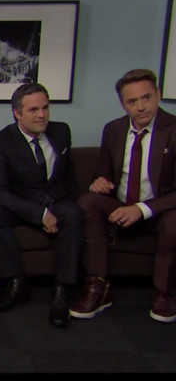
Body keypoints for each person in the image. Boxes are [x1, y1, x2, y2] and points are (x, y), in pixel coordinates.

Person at [70, 69, 176, 323]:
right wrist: (99, 181)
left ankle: (165, 293)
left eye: (146, 98)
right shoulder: (114, 129)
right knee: (87, 202)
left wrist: (142, 209)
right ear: (123, 104)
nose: (141, 107)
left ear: (158, 95)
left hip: (160, 209)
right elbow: (103, 172)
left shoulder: (173, 129)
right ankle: (98, 285)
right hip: (120, 205)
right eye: (132, 101)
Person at [0, 82, 82, 328]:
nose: (42, 115)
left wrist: (69, 201)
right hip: (21, 204)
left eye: (45, 108)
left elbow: (68, 173)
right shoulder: (0, 142)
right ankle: (16, 281)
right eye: (34, 110)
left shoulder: (61, 131)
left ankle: (63, 290)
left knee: (73, 213)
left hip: (56, 200)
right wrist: (39, 214)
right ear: (17, 113)